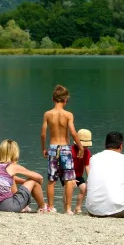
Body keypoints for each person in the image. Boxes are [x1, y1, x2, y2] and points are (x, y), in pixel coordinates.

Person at [40, 85, 85, 214]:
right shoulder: (68, 115)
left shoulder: (48, 114)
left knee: (51, 180)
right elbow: (73, 133)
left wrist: (44, 148)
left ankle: (51, 207)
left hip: (53, 148)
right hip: (65, 148)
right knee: (69, 180)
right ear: (66, 100)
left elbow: (43, 134)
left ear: (53, 99)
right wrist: (80, 147)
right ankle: (68, 209)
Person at [0, 139, 48, 213]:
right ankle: (43, 207)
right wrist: (33, 184)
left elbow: (6, 178)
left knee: (11, 178)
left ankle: (23, 206)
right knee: (33, 181)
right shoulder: (12, 166)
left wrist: (24, 182)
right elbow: (39, 177)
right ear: (15, 153)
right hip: (9, 206)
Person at [71, 129, 93, 214]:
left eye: (86, 146)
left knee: (84, 189)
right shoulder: (71, 150)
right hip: (68, 174)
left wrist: (90, 179)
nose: (85, 148)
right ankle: (67, 207)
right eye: (84, 146)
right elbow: (67, 166)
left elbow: (87, 166)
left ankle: (77, 208)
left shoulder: (87, 152)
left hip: (79, 175)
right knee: (68, 189)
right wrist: (71, 178)